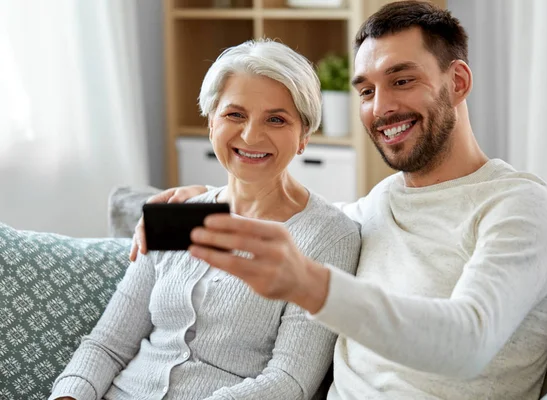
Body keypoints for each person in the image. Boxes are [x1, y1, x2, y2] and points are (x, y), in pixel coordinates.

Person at [130, 2, 547, 399]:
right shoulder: (377, 207)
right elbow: (289, 213)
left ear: (457, 81)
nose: (382, 107)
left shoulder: (518, 205)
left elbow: (468, 344)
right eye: (365, 91)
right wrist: (200, 202)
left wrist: (310, 283)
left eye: (402, 80)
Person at [50, 39, 361, 400]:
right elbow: (107, 345)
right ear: (211, 121)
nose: (251, 135)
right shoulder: (176, 213)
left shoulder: (329, 237)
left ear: (304, 135)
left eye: (276, 119)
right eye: (235, 115)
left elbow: (290, 381)